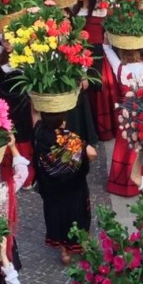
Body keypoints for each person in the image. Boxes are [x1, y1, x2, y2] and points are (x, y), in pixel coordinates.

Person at [0, 22, 36, 188]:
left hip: (21, 103)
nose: (7, 44)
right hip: (2, 103)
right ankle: (9, 175)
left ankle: (26, 177)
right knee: (5, 135)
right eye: (5, 41)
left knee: (23, 136)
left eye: (11, 41)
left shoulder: (26, 55)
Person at [33, 111, 96, 265]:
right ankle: (83, 244)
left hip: (50, 189)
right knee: (78, 215)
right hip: (74, 188)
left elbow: (34, 116)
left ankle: (64, 252)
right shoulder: (71, 140)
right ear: (63, 122)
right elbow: (92, 153)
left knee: (57, 217)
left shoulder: (38, 133)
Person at [104, 44, 143, 197]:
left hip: (127, 116)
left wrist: (106, 42)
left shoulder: (120, 69)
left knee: (126, 147)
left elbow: (108, 52)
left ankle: (123, 183)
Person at [72, 0, 118, 142]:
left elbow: (113, 18)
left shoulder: (101, 9)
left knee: (100, 91)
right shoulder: (75, 10)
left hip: (98, 54)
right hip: (83, 54)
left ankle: (103, 129)